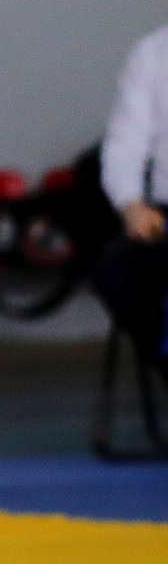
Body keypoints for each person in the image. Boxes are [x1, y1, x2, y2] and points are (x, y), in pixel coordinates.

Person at [95, 20, 168, 370]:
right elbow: (125, 144)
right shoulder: (153, 53)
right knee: (118, 270)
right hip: (165, 215)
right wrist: (132, 205)